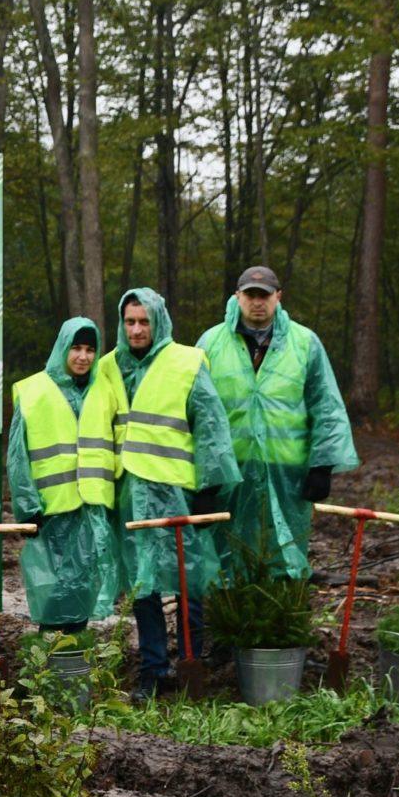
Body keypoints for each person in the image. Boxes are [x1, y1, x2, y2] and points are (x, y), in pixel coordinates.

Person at [111, 288, 240, 700]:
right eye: (130, 321)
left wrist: (209, 484)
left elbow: (211, 425)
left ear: (158, 322)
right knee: (142, 583)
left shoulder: (186, 361)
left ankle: (189, 661)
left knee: (189, 580)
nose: (136, 329)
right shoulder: (109, 366)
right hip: (130, 491)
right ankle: (152, 668)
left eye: (143, 321)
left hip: (178, 491)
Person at [195, 266, 358, 581]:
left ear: (278, 297)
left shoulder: (304, 343)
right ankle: (228, 623)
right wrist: (205, 477)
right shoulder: (210, 343)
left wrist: (322, 466)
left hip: (288, 473)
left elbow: (325, 405)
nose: (258, 302)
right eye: (250, 295)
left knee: (285, 549)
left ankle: (284, 619)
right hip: (229, 473)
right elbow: (199, 412)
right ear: (237, 297)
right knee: (227, 553)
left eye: (265, 295)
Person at [7, 318, 126, 636]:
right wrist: (26, 505)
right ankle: (51, 661)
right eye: (76, 348)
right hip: (52, 511)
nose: (84, 356)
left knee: (83, 587)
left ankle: (73, 661)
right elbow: (18, 455)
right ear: (63, 348)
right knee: (54, 589)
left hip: (92, 508)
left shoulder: (104, 390)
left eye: (90, 349)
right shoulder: (33, 390)